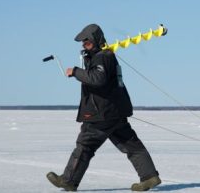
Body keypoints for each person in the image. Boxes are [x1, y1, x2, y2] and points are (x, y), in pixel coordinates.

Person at [46, 24, 161, 192]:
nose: (85, 47)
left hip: (101, 113)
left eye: (88, 44)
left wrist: (76, 71)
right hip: (113, 112)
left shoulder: (102, 57)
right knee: (132, 145)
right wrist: (86, 60)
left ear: (97, 41)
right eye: (83, 45)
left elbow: (98, 78)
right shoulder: (104, 56)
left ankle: (68, 180)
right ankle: (150, 177)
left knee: (85, 145)